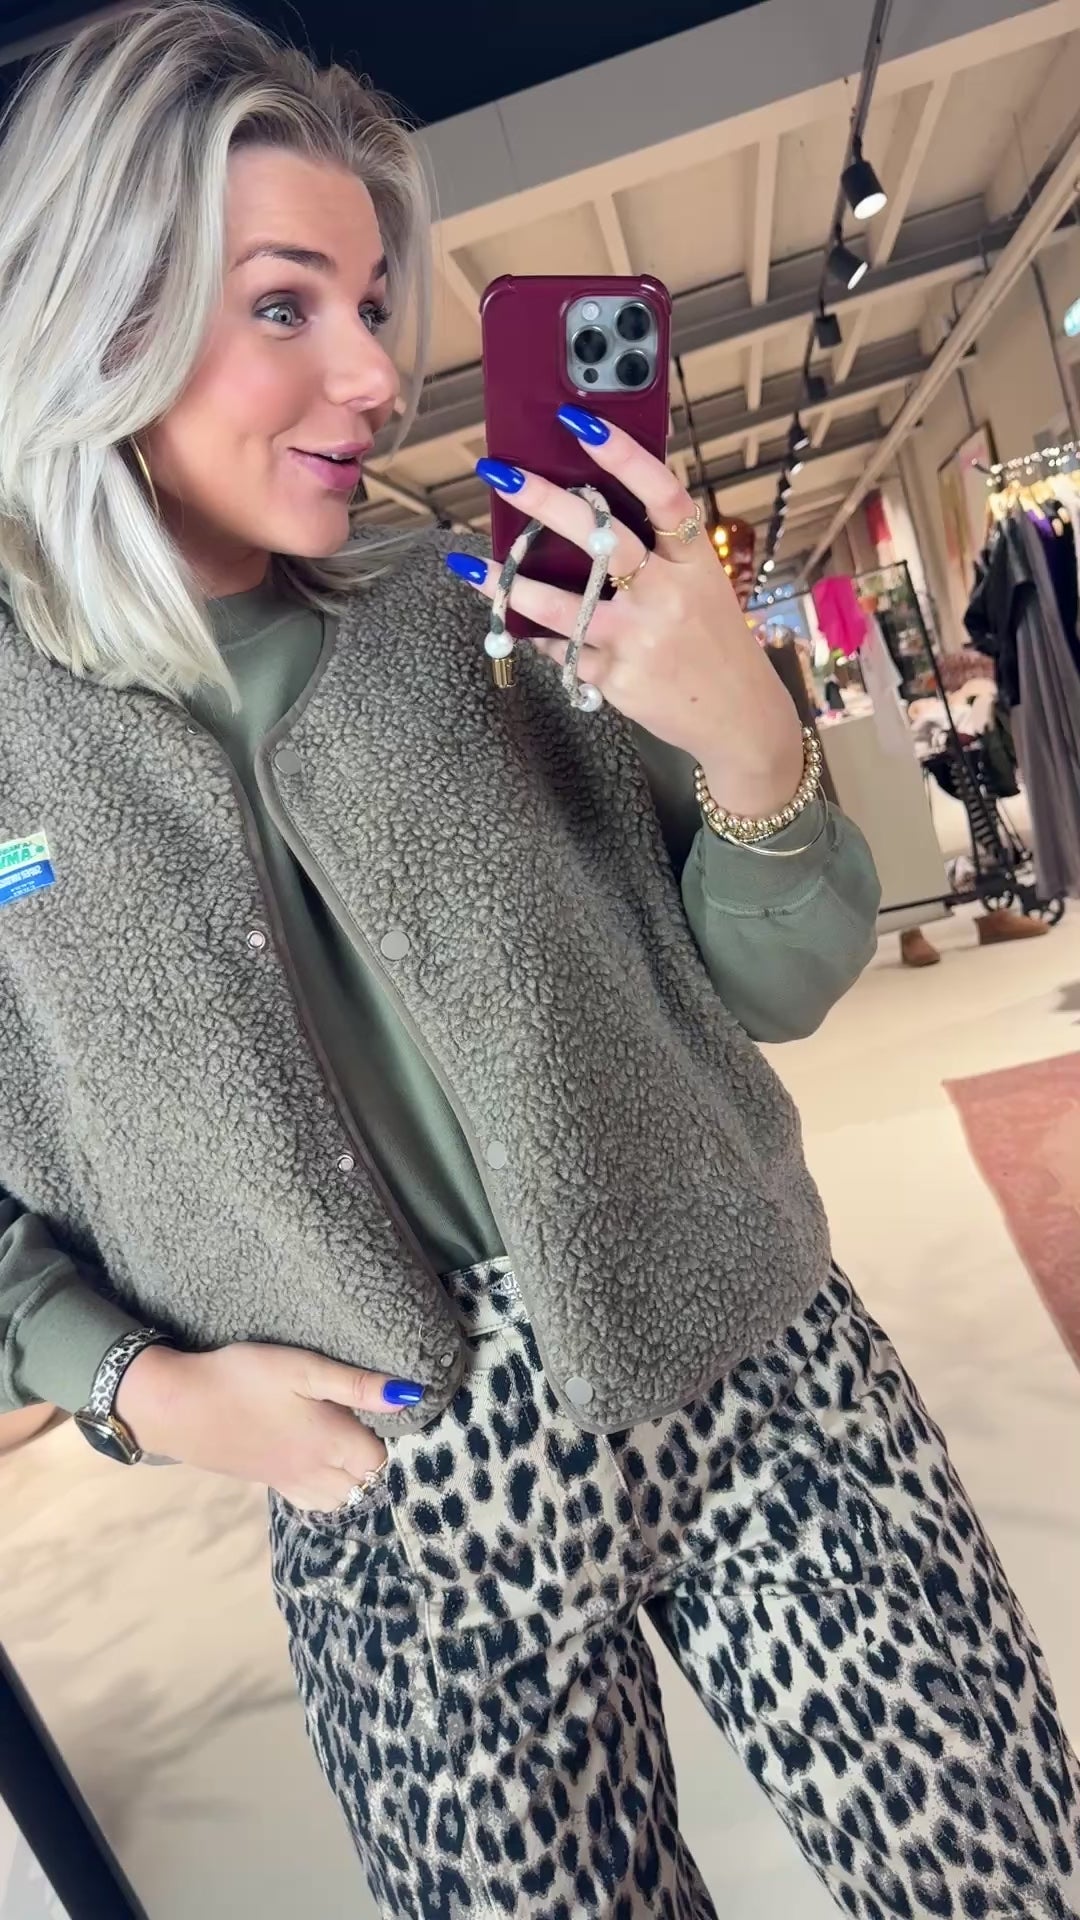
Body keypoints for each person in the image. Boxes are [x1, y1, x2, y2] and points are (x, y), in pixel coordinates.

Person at [0, 10, 1076, 1918]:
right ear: (94, 314)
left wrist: (748, 738)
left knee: (1004, 1878)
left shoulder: (472, 607)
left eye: (372, 304)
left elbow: (770, 981)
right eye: (286, 305)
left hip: (752, 1360)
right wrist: (140, 1390)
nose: (374, 370)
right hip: (399, 1510)